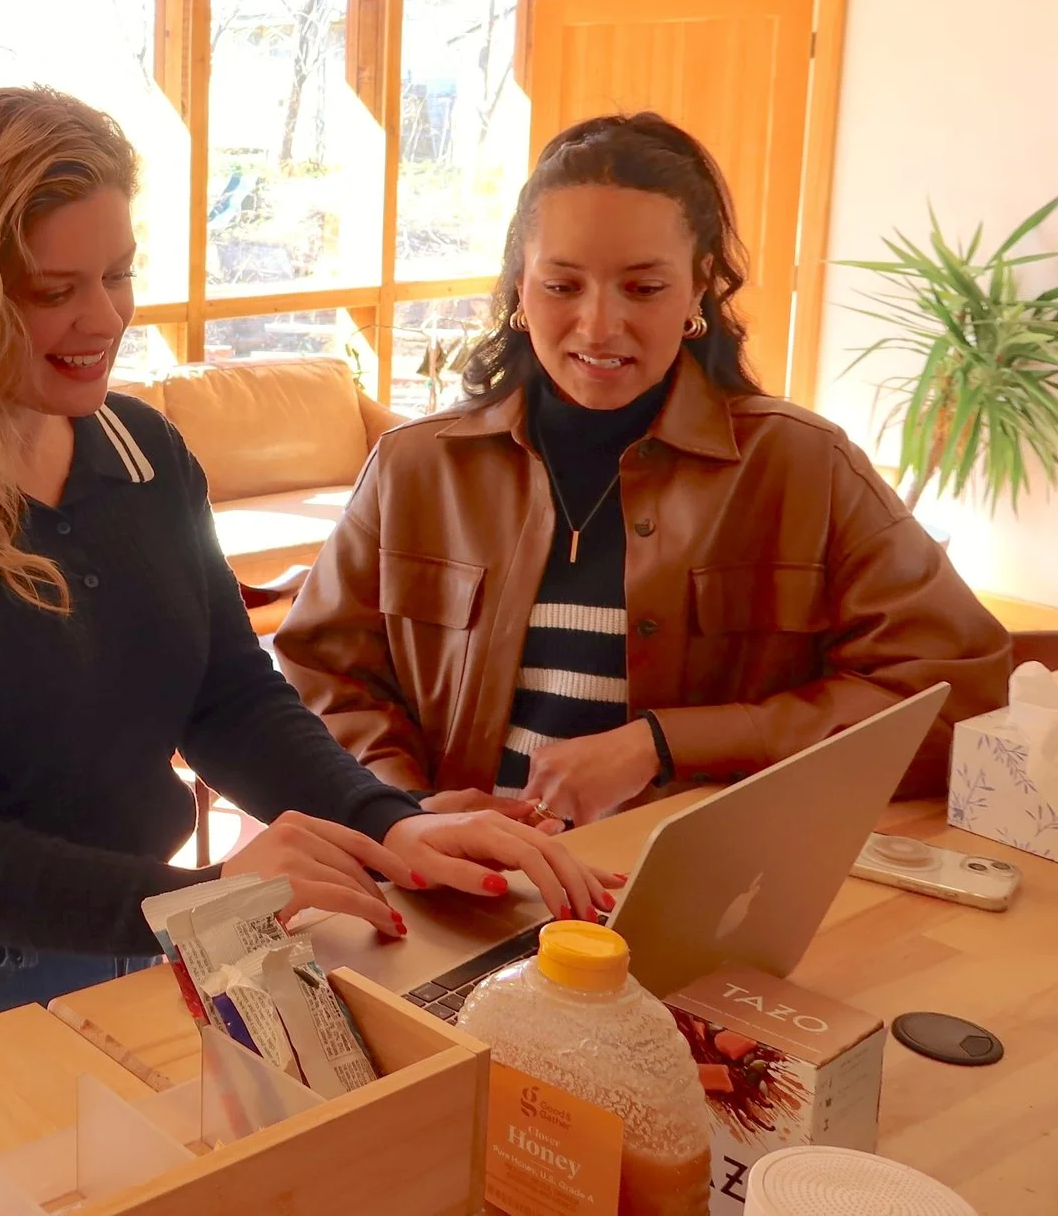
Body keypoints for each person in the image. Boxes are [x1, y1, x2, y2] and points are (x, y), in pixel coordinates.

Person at [0, 86, 618, 1077]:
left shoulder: (142, 452)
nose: (104, 316)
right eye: (53, 289)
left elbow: (228, 696)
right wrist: (199, 900)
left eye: (118, 273)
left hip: (134, 936)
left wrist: (390, 820)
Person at [278, 113, 1009, 828]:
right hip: (461, 882)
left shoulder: (804, 465)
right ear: (519, 288)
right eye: (562, 286)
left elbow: (956, 699)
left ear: (699, 287)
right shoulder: (415, 466)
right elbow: (321, 683)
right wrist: (405, 810)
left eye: (643, 288)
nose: (599, 326)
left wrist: (666, 744)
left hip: (692, 884)